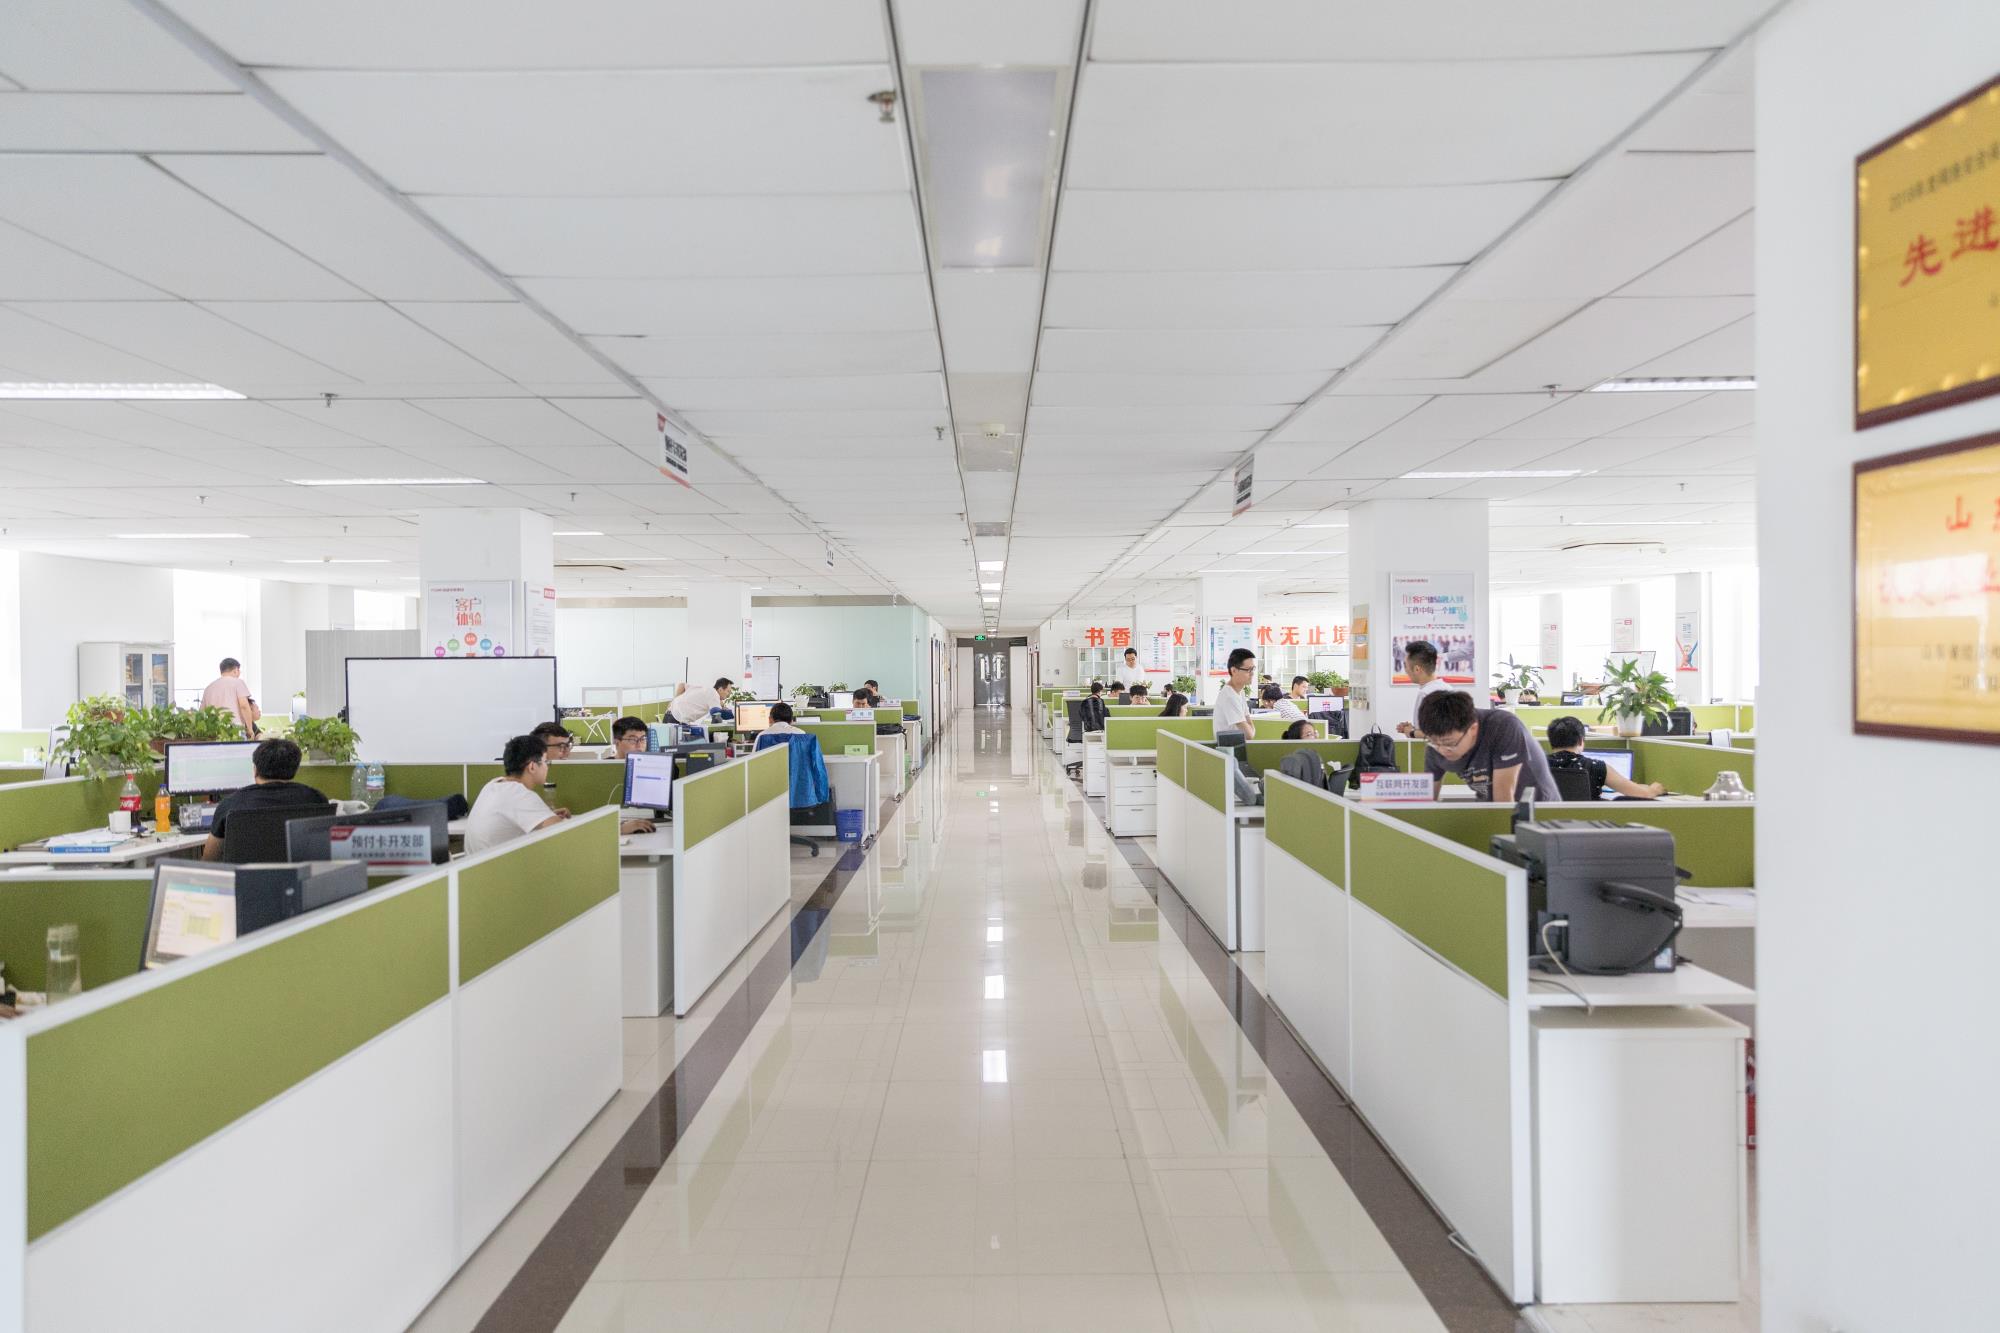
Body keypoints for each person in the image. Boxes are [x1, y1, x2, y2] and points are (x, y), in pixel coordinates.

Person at [1419, 690, 1560, 805]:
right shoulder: (1435, 744)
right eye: (1433, 742)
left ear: (1473, 729)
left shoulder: (1503, 727)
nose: (1442, 750)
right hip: (1491, 807)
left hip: (1540, 810)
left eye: (1450, 744)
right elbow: (1427, 802)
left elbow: (1503, 801)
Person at [201, 738, 326, 860]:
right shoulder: (317, 799)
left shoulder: (230, 805)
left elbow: (209, 859)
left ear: (255, 770)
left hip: (245, 874)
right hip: (302, 873)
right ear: (295, 770)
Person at [465, 734, 569, 854]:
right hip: (498, 864)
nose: (547, 767)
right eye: (546, 761)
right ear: (532, 767)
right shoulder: (519, 794)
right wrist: (556, 820)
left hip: (477, 863)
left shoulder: (493, 785)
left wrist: (545, 816)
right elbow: (564, 832)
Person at [1547, 716, 1665, 800]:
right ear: (1580, 741)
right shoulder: (1595, 766)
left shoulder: (1540, 765)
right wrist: (1654, 789)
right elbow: (1644, 794)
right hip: (1588, 824)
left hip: (1546, 823)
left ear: (1551, 742)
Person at [1395, 640, 1459, 738]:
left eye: (1406, 666)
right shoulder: (1449, 689)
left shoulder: (1426, 694)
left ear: (1417, 669)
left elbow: (1436, 733)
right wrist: (1413, 729)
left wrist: (1411, 732)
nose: (1406, 670)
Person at [200, 657, 257, 737]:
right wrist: (250, 729)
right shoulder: (238, 682)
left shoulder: (209, 688)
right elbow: (244, 706)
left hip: (214, 730)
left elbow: (202, 712)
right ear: (236, 670)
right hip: (234, 728)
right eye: (239, 671)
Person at [1212, 648, 1256, 740]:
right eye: (1248, 670)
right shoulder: (1229, 696)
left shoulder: (1240, 691)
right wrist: (1251, 730)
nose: (1252, 673)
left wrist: (1251, 729)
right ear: (1234, 671)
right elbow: (1249, 735)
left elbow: (1250, 725)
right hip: (1229, 747)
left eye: (1253, 669)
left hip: (1237, 744)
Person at [668, 677, 733, 729]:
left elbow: (682, 685)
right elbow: (716, 713)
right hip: (675, 719)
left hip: (672, 716)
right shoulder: (714, 693)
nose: (729, 694)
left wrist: (674, 702)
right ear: (720, 689)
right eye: (728, 691)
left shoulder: (706, 689)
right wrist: (734, 713)